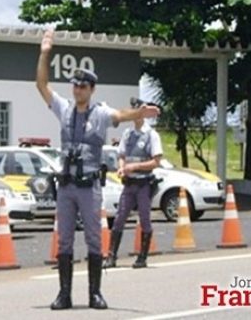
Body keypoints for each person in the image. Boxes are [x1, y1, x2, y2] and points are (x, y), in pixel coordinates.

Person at [36, 29, 161, 310]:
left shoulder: (100, 114)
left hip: (89, 187)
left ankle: (95, 293)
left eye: (82, 86)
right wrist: (45, 52)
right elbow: (41, 84)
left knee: (94, 238)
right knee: (64, 240)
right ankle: (64, 294)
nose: (77, 89)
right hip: (66, 186)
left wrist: (139, 114)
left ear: (91, 90)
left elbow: (120, 115)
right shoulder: (64, 109)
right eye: (75, 85)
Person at [104, 98, 163, 269]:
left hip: (144, 183)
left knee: (144, 218)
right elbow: (121, 155)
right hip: (129, 184)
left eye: (139, 112)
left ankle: (142, 257)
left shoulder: (151, 134)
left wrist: (135, 166)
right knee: (119, 217)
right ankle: (111, 256)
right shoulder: (128, 134)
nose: (136, 115)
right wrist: (122, 168)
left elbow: (156, 161)